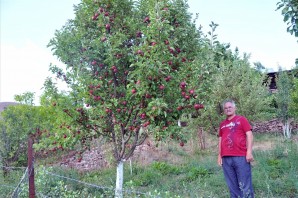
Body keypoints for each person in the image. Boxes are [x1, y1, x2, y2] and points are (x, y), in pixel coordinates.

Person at [217, 99, 254, 198]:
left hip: (240, 156)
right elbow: (220, 140)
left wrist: (249, 152)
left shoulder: (241, 119)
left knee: (245, 185)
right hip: (226, 159)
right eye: (225, 108)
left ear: (234, 108)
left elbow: (249, 135)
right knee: (232, 187)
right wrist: (219, 155)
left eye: (230, 107)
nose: (228, 109)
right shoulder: (222, 124)